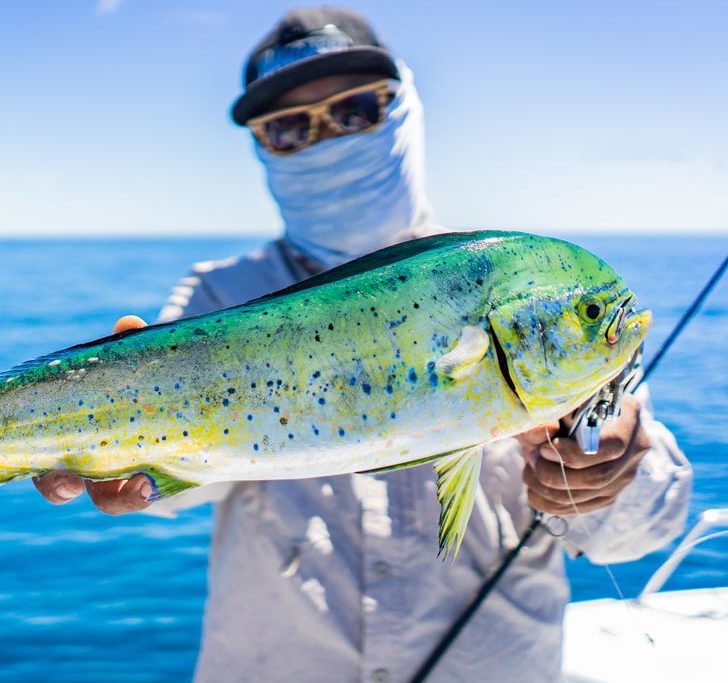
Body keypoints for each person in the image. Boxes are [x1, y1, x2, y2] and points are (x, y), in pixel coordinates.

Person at [35, 8, 693, 682]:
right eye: (289, 128)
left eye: (354, 112)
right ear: (263, 149)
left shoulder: (516, 292)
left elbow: (642, 530)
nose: (325, 140)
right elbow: (171, 486)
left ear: (403, 110)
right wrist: (106, 454)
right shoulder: (219, 296)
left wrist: (615, 470)